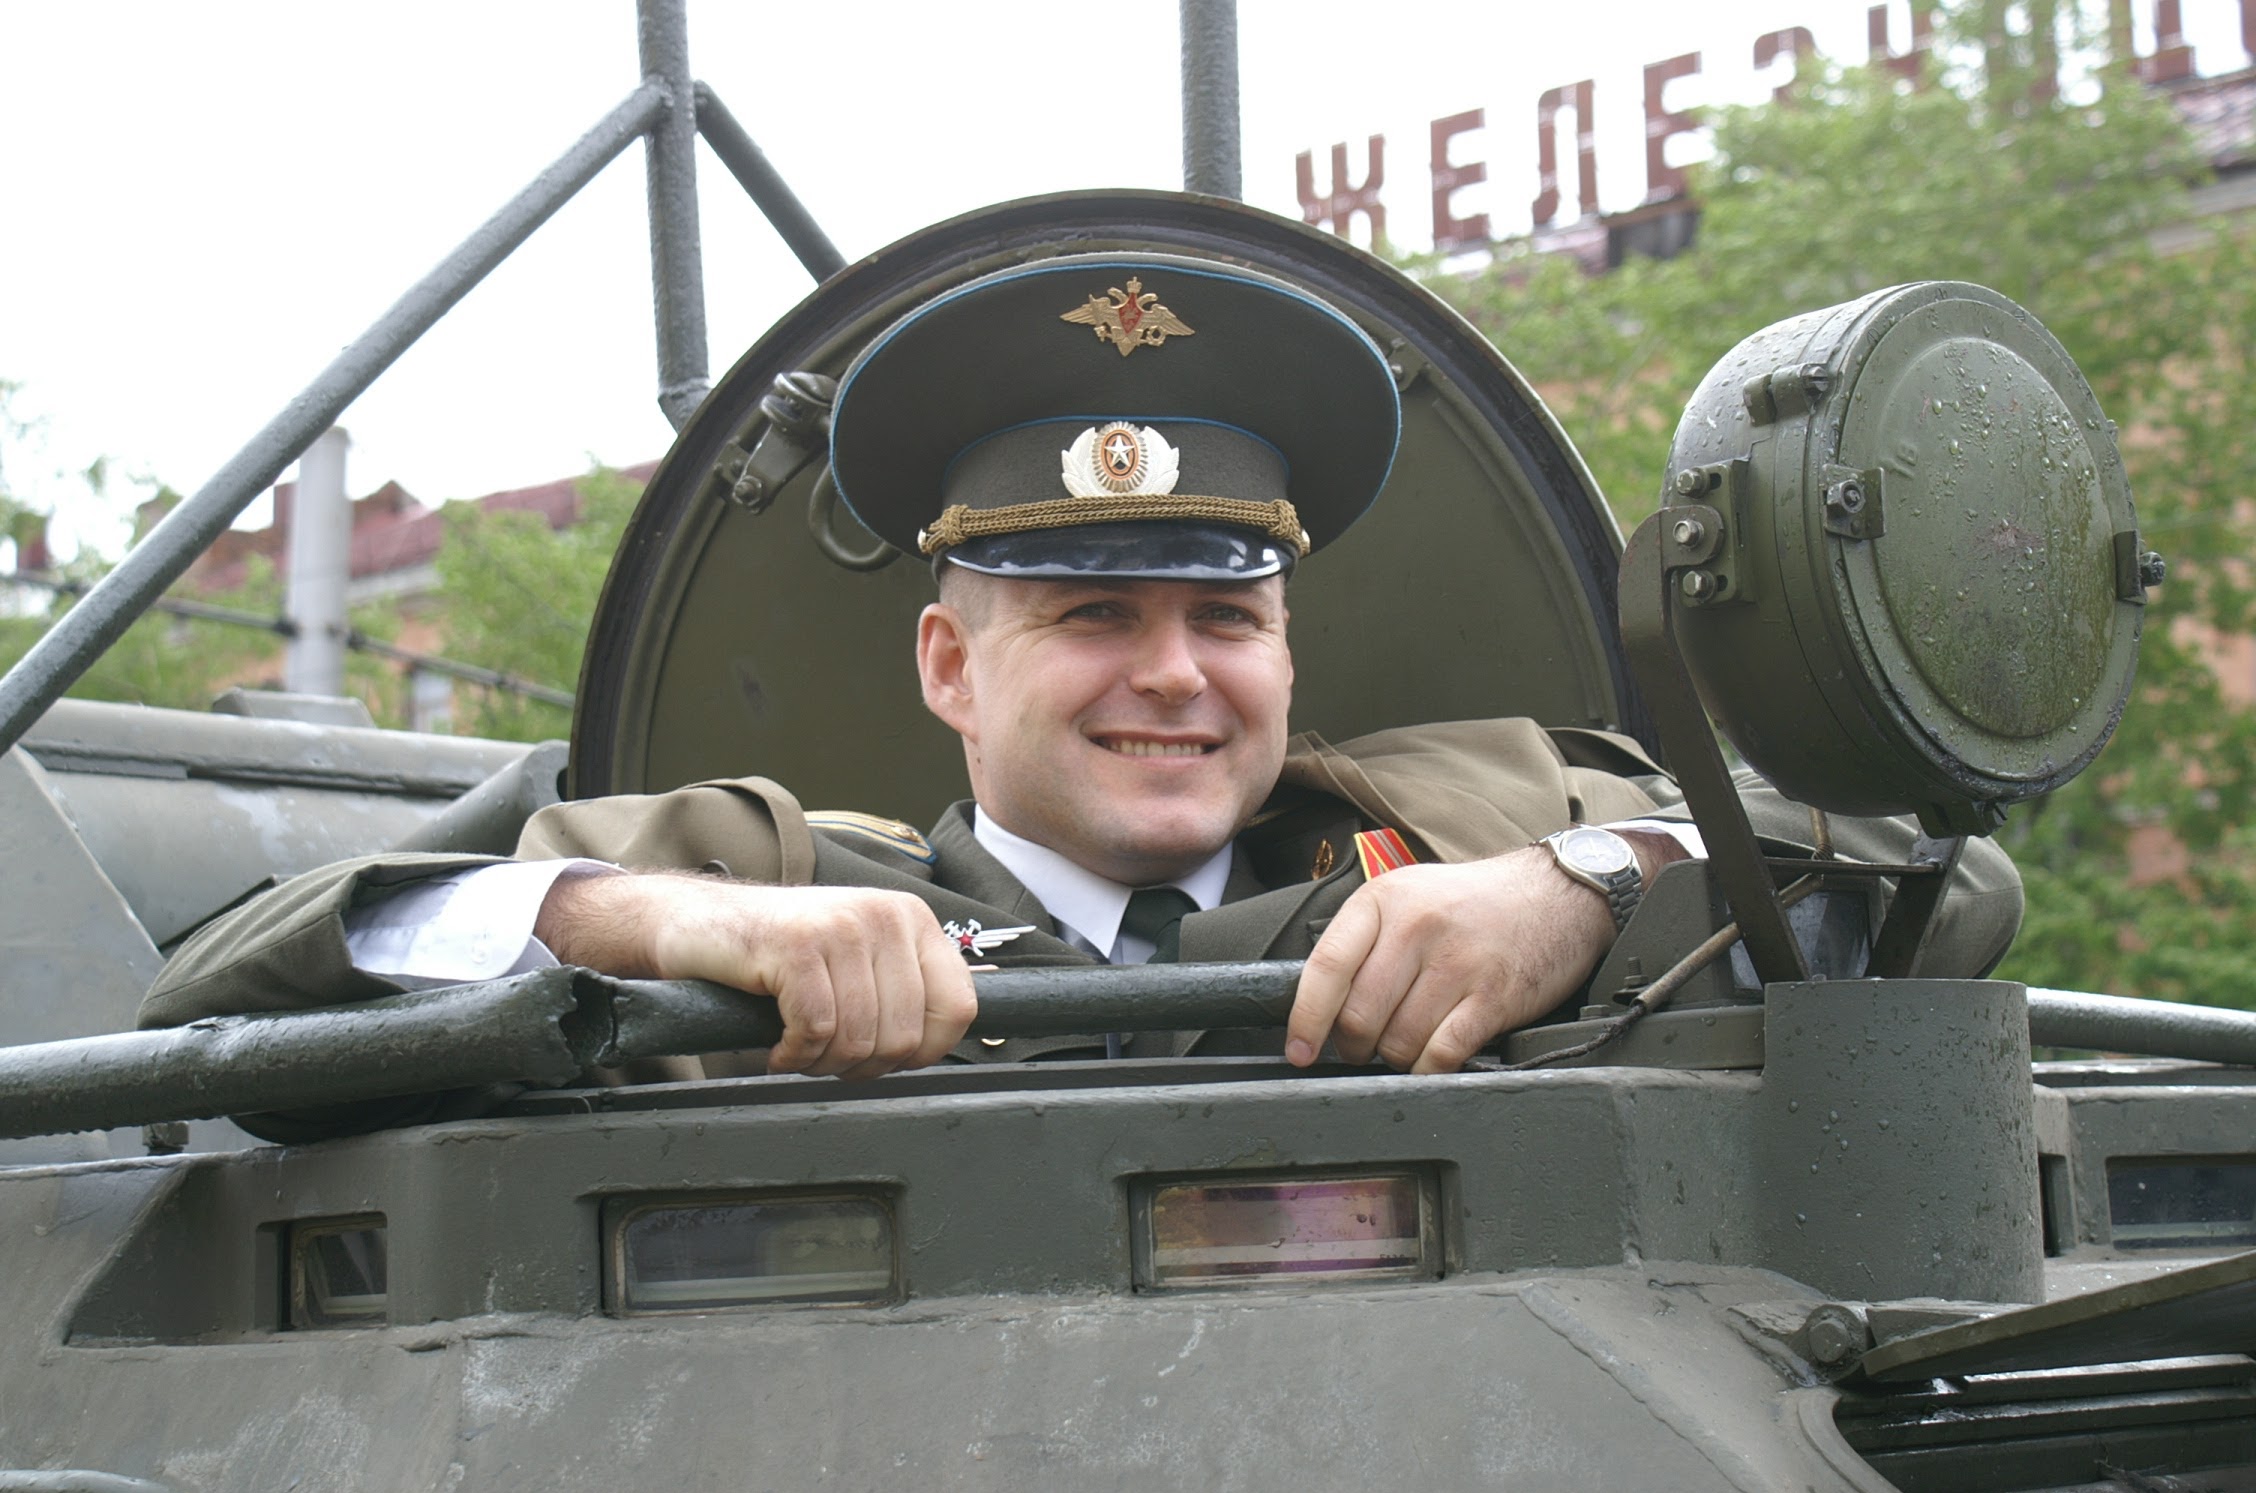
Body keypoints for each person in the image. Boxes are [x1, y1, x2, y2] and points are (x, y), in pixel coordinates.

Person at [139, 252, 2022, 1104]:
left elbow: (1941, 873)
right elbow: (238, 980)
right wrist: (666, 926)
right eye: (1093, 617)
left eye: (1228, 618)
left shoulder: (1487, 805)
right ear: (950, 664)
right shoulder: (775, 869)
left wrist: (1584, 884)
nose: (1176, 677)